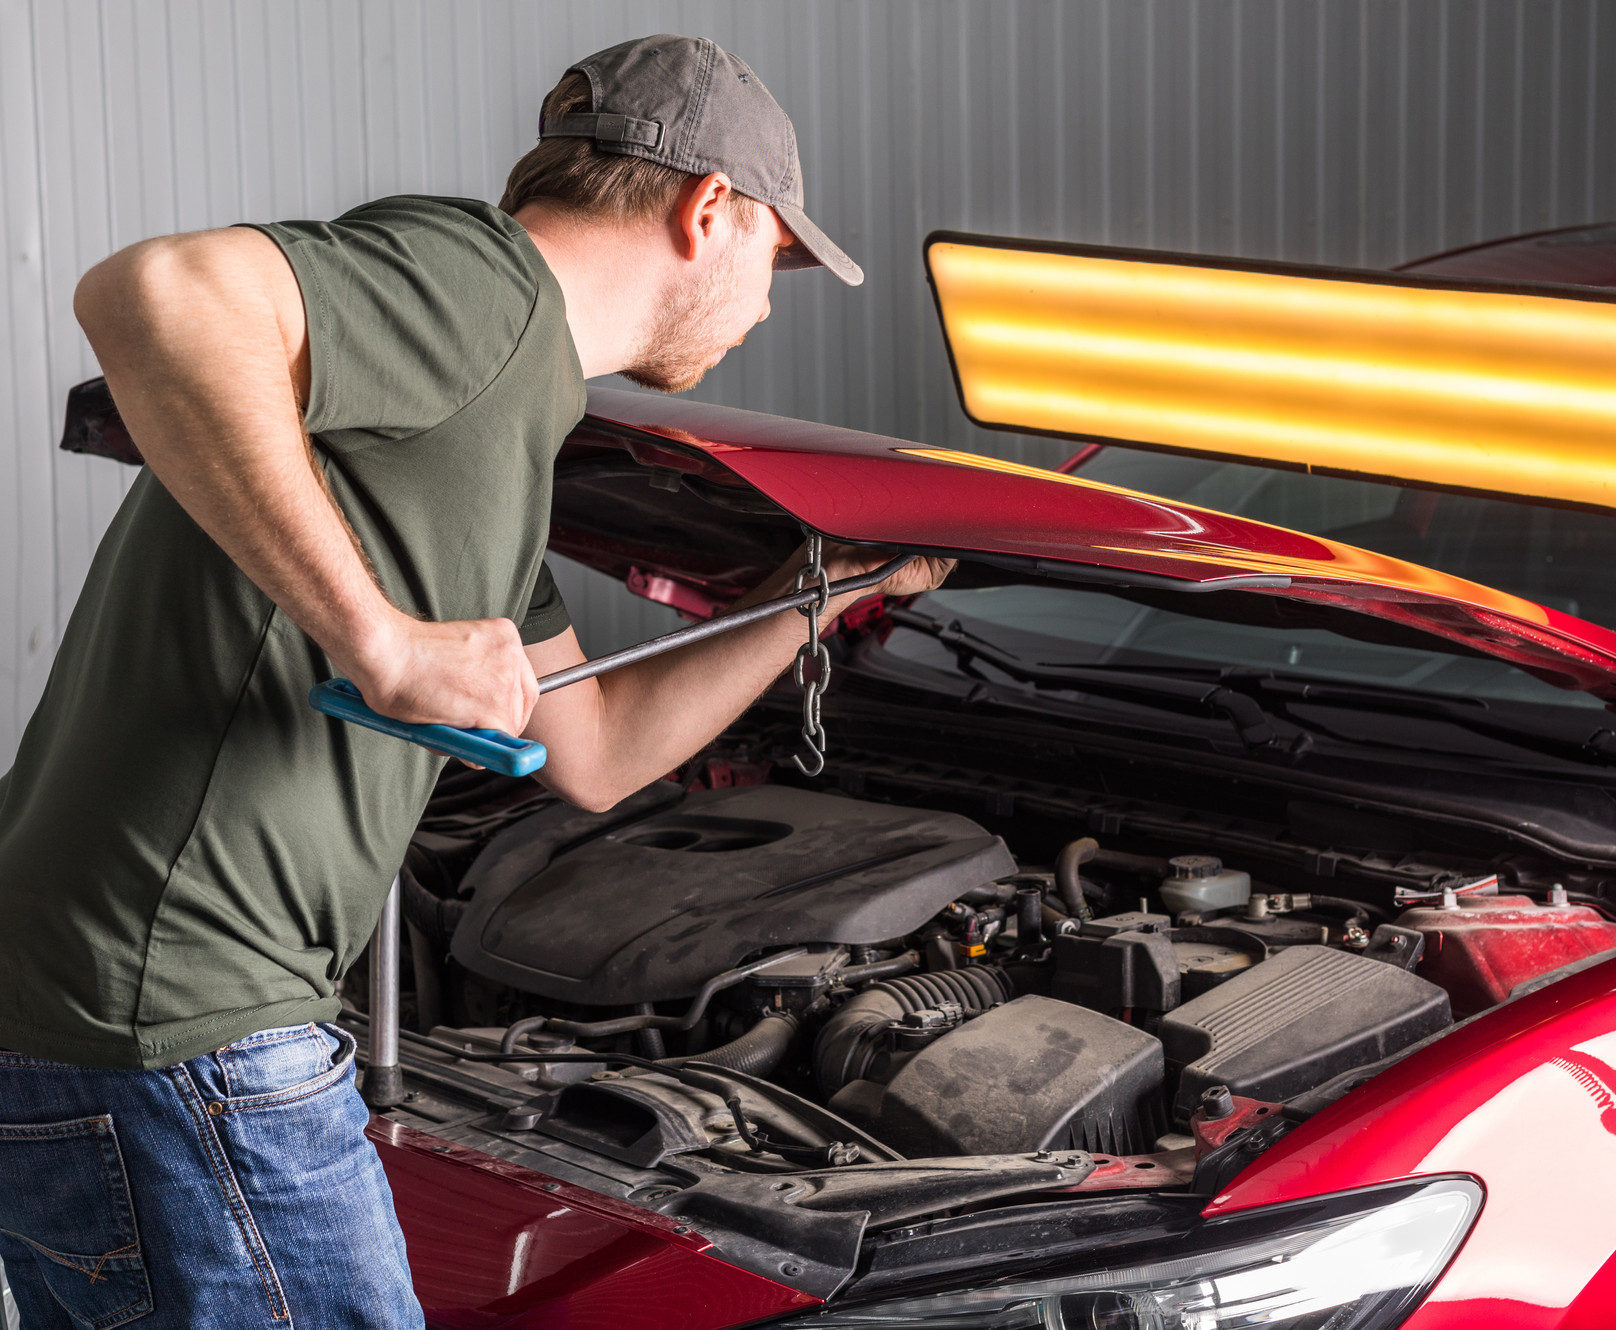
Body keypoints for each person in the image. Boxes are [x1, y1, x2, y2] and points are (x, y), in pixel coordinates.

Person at [0, 33, 949, 1327]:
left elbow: (597, 750)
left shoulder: (491, 432)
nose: (770, 304)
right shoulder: (485, 288)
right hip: (190, 1020)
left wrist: (819, 595)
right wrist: (379, 636)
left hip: (99, 1011)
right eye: (777, 259)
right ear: (706, 209)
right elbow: (152, 294)